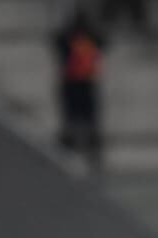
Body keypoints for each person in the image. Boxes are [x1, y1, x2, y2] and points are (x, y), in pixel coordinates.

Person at [53, 6, 107, 172]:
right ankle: (70, 154)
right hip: (75, 83)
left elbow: (103, 43)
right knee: (75, 122)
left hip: (83, 83)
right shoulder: (71, 36)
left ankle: (90, 156)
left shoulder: (87, 36)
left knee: (86, 122)